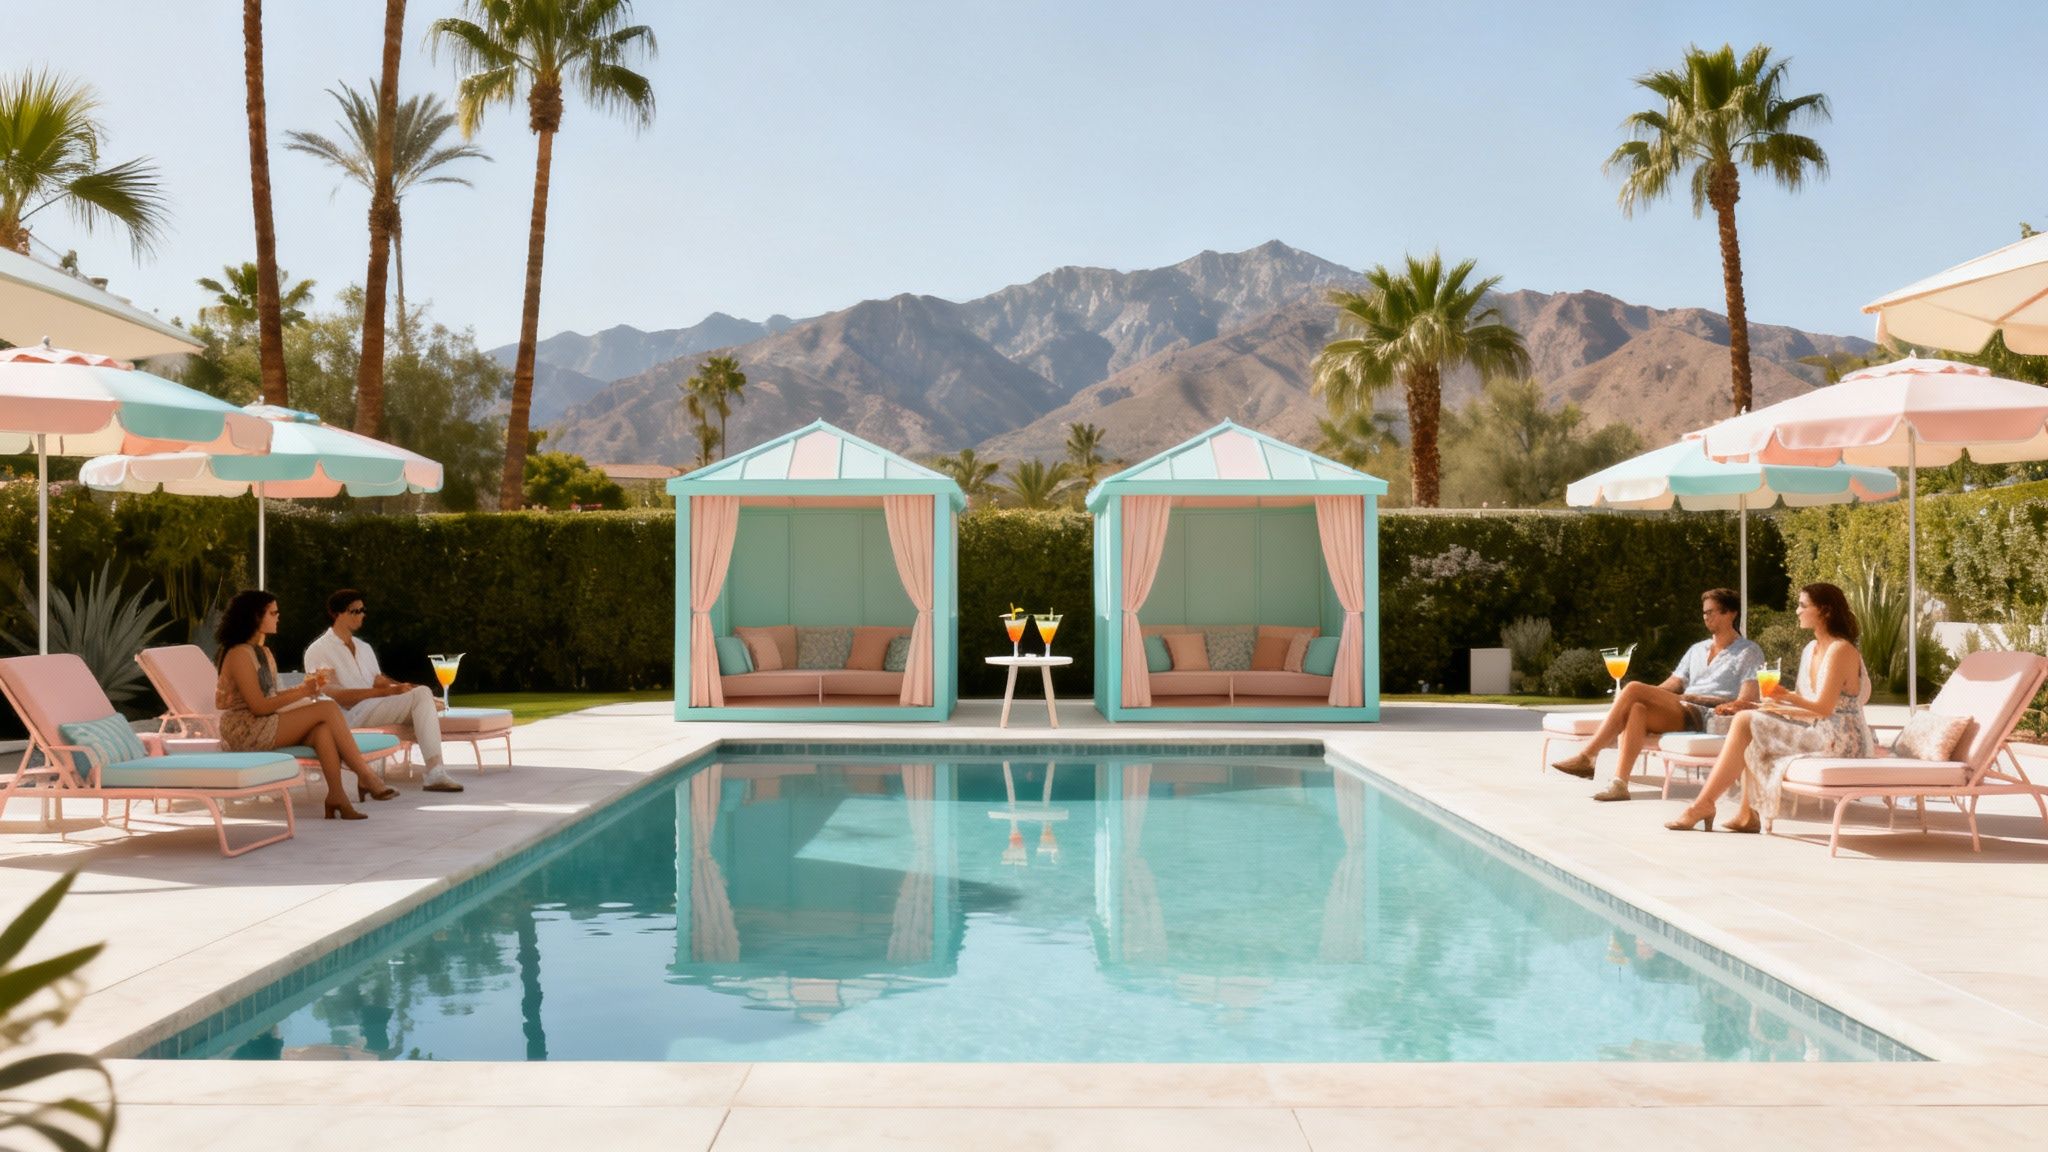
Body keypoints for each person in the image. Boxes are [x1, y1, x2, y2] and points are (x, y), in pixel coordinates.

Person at [1665, 582, 1874, 833]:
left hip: (1841, 740)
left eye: (1802, 605)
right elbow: (1811, 706)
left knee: (1745, 721)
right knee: (1752, 719)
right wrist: (1775, 705)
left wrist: (1786, 697)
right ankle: (1745, 814)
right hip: (1817, 729)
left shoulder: (1841, 649)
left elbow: (1824, 708)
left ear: (1825, 611)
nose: (1797, 611)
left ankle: (1704, 804)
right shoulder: (1811, 649)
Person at [1551, 588, 1763, 802]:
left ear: (1731, 613)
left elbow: (1745, 701)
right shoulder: (1697, 649)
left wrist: (1692, 698)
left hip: (1708, 715)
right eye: (1704, 613)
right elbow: (1674, 683)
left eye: (1711, 612)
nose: (1706, 617)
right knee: (1637, 707)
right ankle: (1619, 784)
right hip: (1681, 710)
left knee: (1633, 687)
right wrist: (1646, 695)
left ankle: (1588, 756)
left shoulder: (1748, 651)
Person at [214, 589, 397, 821]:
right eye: (273, 613)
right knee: (327, 708)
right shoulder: (239, 653)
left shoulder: (264, 652)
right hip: (245, 729)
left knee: (322, 731)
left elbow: (271, 695)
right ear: (255, 617)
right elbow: (259, 706)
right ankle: (366, 776)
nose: (278, 617)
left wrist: (305, 691)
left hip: (263, 722)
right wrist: (303, 691)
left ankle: (337, 796)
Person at [303, 589, 465, 794]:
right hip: (347, 716)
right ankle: (434, 773)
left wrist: (406, 689)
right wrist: (387, 693)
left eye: (363, 610)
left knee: (423, 694)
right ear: (337, 614)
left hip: (373, 708)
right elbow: (335, 695)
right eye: (356, 611)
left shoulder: (363, 647)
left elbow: (379, 681)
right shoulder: (319, 650)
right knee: (421, 698)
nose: (362, 614)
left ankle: (436, 771)